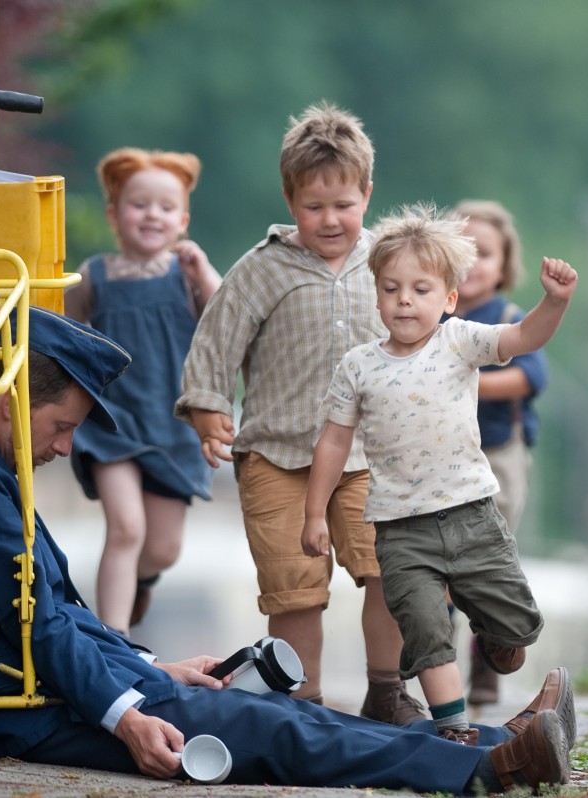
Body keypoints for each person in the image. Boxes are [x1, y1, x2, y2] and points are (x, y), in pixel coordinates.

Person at [0, 306, 575, 794]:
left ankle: (496, 742)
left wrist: (153, 665)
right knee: (280, 731)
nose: (63, 448)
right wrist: (124, 716)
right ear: (11, 404)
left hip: (66, 687)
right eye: (61, 427)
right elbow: (37, 619)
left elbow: (51, 611)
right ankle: (486, 769)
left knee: (277, 717)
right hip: (35, 709)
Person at [175, 102, 421, 724]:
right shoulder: (263, 269)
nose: (330, 219)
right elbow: (216, 339)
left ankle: (387, 692)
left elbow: (427, 340)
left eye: (343, 204)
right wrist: (208, 410)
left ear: (367, 194)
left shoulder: (390, 265)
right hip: (277, 458)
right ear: (290, 200)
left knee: (390, 572)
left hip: (371, 456)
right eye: (314, 207)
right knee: (294, 589)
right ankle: (302, 705)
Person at [302, 204, 579, 744]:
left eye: (421, 289)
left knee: (518, 631)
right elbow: (334, 441)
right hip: (401, 530)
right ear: (376, 294)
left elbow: (525, 338)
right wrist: (316, 513)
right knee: (427, 632)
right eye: (391, 288)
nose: (405, 300)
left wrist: (556, 300)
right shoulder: (358, 366)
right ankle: (454, 732)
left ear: (449, 299)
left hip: (472, 515)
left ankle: (499, 636)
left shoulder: (461, 341)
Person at [64, 147, 223, 634]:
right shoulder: (96, 275)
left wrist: (203, 273)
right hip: (111, 421)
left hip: (173, 424)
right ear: (114, 214)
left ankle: (142, 580)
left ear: (183, 220)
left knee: (162, 548)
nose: (152, 214)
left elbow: (227, 318)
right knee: (127, 528)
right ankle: (116, 641)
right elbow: (63, 331)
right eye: (139, 204)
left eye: (165, 207)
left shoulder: (186, 274)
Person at [448, 199, 549, 707]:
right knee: (436, 567)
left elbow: (532, 376)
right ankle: (435, 671)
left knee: (486, 566)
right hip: (438, 456)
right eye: (461, 250)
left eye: (483, 253)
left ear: (505, 265)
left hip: (498, 456)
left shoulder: (510, 319)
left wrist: (469, 385)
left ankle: (487, 665)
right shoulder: (428, 310)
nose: (471, 263)